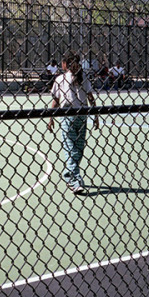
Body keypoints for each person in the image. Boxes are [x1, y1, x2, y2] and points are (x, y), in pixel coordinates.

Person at [48, 50, 99, 194]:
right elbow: (91, 99)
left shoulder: (74, 78)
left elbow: (56, 101)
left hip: (76, 117)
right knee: (73, 149)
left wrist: (51, 118)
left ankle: (68, 173)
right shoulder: (65, 79)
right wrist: (95, 116)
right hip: (75, 117)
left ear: (65, 64)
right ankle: (75, 181)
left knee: (76, 150)